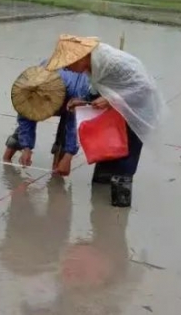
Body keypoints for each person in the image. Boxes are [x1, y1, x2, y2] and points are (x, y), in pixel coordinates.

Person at [45, 34, 164, 208]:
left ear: (81, 58)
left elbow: (146, 88)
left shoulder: (113, 62)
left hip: (137, 109)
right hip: (117, 110)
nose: (67, 68)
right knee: (106, 152)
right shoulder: (93, 67)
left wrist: (110, 100)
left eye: (68, 64)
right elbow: (97, 90)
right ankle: (100, 209)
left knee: (125, 156)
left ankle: (119, 208)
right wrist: (82, 100)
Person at [3, 61, 92, 176]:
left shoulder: (76, 90)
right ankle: (6, 159)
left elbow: (73, 126)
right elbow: (25, 118)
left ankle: (58, 168)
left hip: (71, 98)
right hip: (49, 79)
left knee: (65, 131)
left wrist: (68, 156)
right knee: (27, 118)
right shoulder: (28, 89)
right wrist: (27, 148)